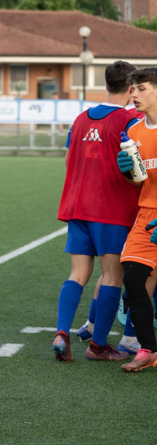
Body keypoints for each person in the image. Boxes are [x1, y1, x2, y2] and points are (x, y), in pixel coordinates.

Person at [52, 61, 140, 362]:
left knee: (78, 273)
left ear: (106, 85)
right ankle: (98, 345)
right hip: (110, 209)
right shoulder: (129, 120)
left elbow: (68, 162)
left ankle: (62, 332)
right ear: (131, 88)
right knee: (113, 276)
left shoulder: (80, 119)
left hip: (77, 207)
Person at [117, 67, 157, 372]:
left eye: (141, 88)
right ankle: (148, 350)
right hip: (147, 215)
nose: (134, 94)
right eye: (133, 88)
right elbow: (138, 182)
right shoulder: (133, 132)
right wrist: (128, 171)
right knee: (132, 279)